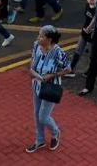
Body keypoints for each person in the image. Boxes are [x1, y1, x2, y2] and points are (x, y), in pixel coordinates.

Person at [26, 25, 71, 153]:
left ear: (49, 39)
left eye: (41, 36)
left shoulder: (58, 52)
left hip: (50, 88)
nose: (38, 38)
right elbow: (33, 59)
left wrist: (53, 75)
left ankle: (55, 132)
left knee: (43, 116)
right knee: (36, 114)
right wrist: (31, 69)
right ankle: (39, 140)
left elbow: (68, 69)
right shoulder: (36, 45)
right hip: (36, 84)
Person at [66, 0, 97, 77]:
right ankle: (71, 69)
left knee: (91, 54)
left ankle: (89, 70)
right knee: (78, 50)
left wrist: (91, 29)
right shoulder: (87, 5)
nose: (91, 0)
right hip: (85, 31)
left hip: (93, 34)